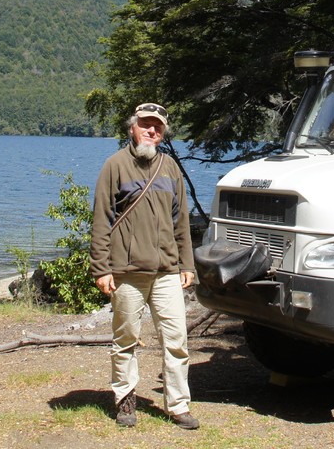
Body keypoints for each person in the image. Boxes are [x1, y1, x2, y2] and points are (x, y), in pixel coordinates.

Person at [89, 102, 199, 430]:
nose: (151, 131)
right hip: (126, 271)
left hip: (166, 270)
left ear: (163, 133)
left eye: (158, 127)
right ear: (132, 128)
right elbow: (101, 220)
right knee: (125, 340)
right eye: (145, 125)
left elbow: (181, 220)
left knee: (176, 340)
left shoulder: (170, 168)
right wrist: (101, 268)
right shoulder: (115, 166)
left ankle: (178, 405)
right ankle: (125, 401)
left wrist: (187, 264)